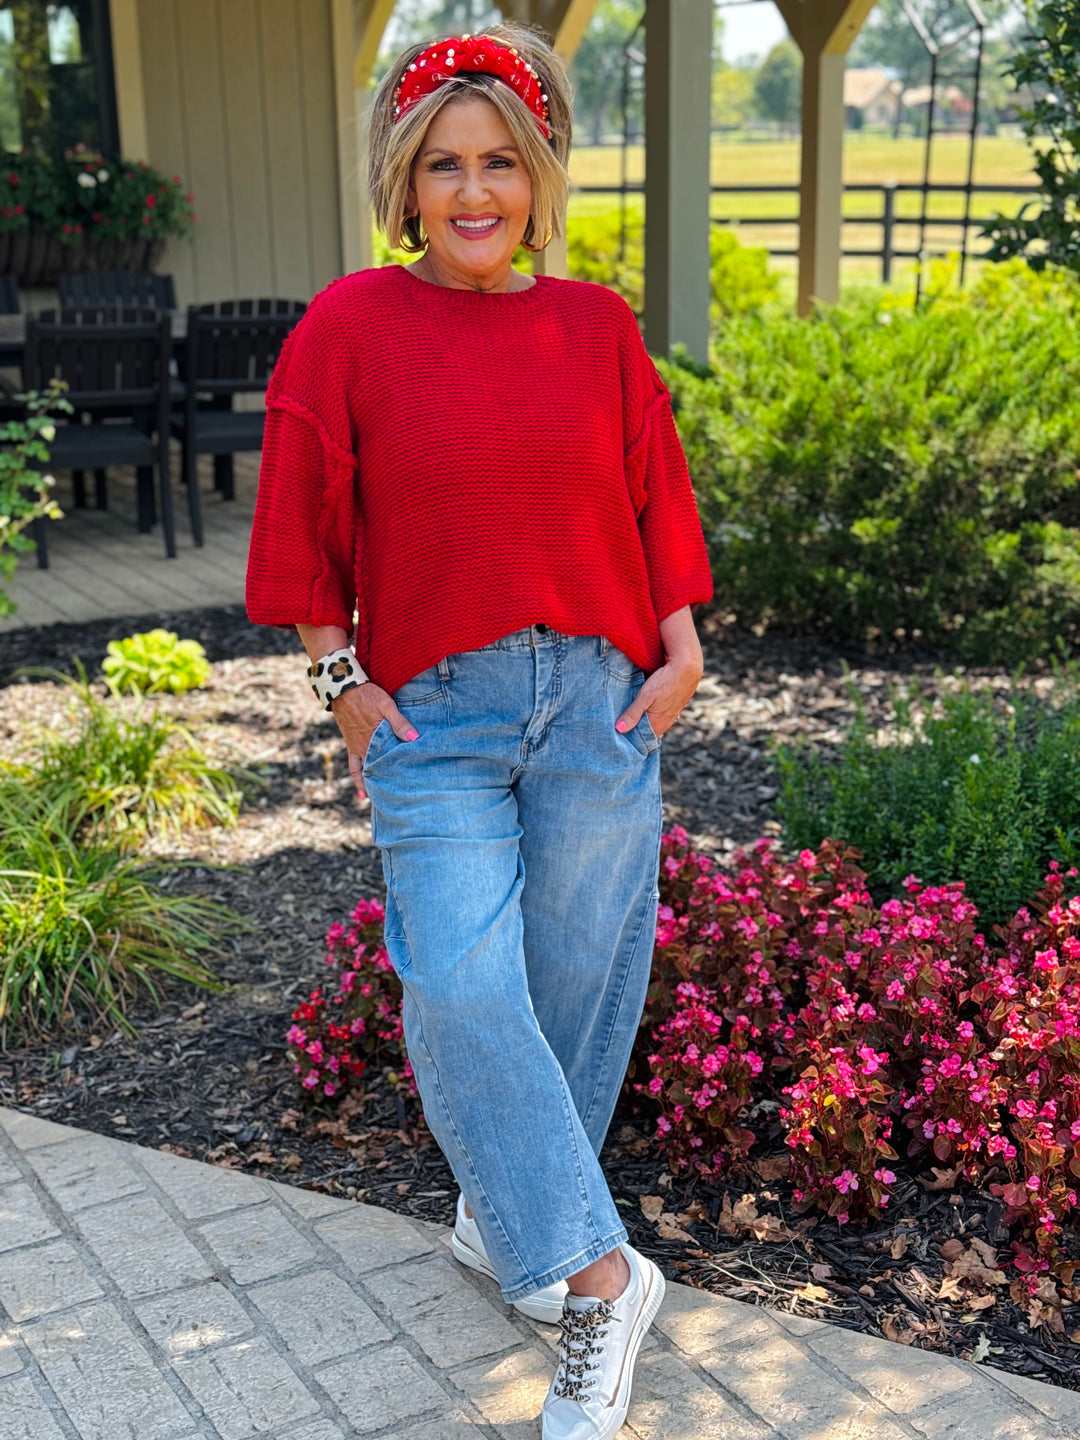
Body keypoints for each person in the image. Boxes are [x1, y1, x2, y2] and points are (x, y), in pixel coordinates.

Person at [245, 23, 713, 1438]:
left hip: (597, 698)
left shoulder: (595, 327)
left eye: (500, 162)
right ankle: (595, 1279)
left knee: (574, 990)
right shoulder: (348, 328)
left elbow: (653, 488)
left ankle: (490, 1219)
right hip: (432, 718)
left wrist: (683, 639)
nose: (473, 192)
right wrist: (340, 686)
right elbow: (300, 524)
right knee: (455, 983)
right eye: (442, 164)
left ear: (538, 178)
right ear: (403, 181)